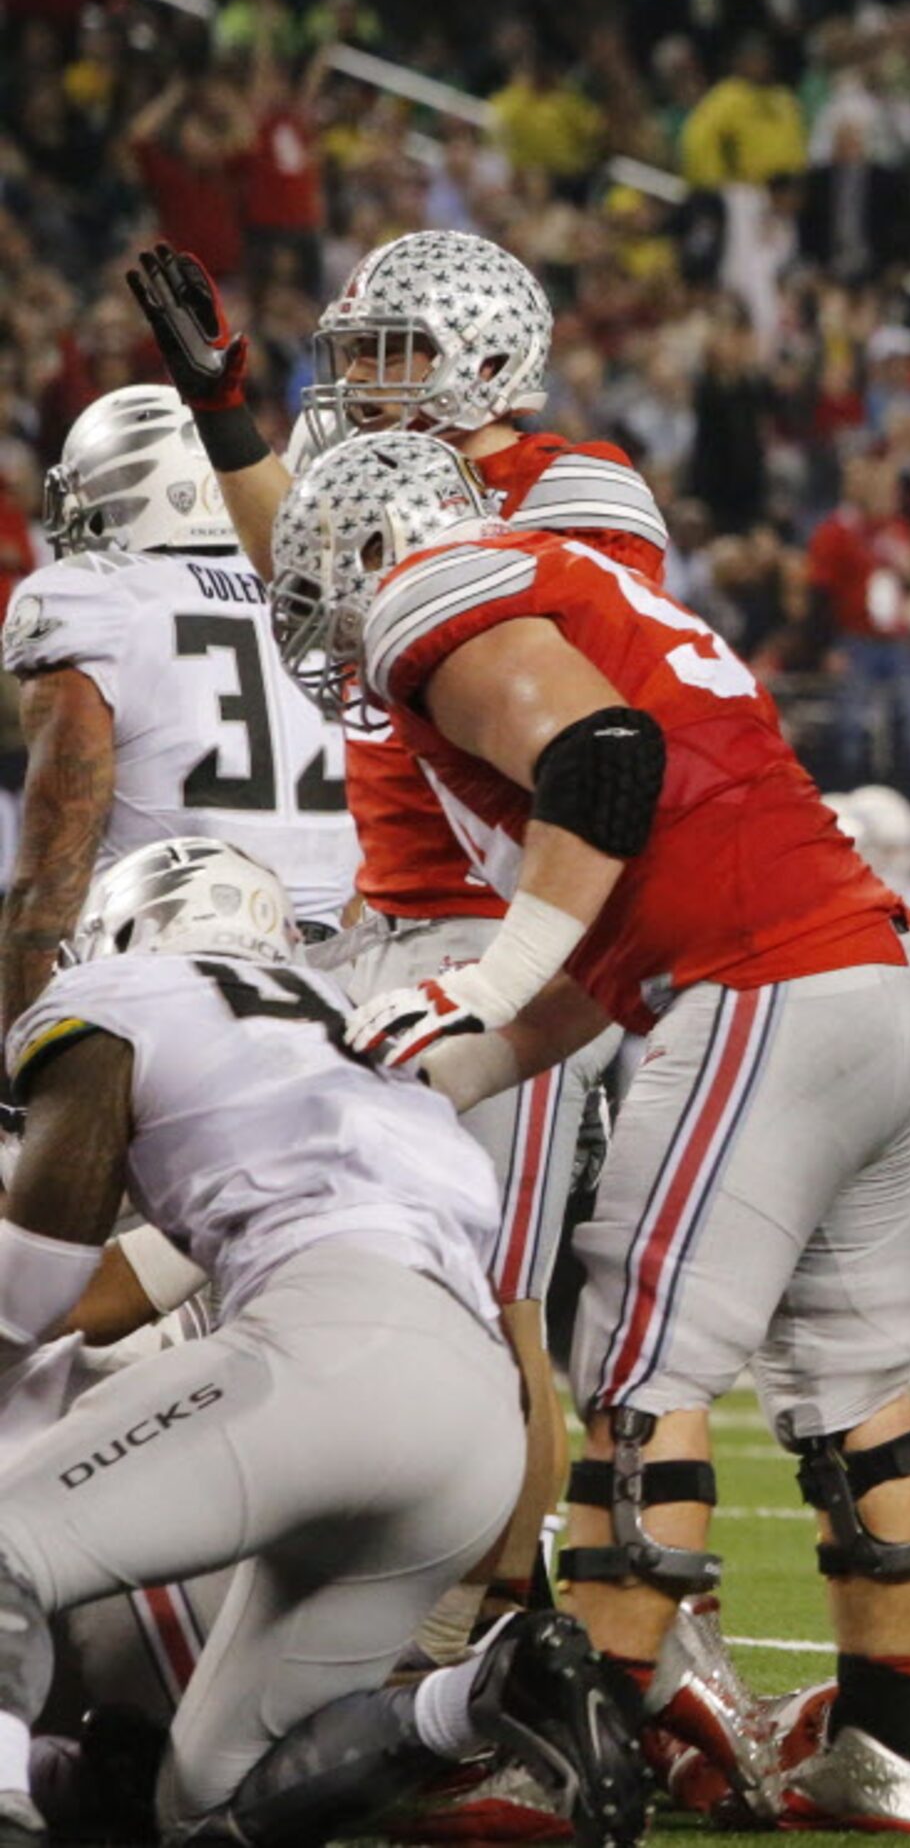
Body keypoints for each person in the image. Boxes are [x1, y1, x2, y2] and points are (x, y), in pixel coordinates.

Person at [263, 430, 910, 1831]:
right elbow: (608, 942)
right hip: (877, 981)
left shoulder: (438, 589)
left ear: (358, 551)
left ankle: (569, 1754)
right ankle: (880, 1756)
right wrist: (461, 1064)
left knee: (638, 1360)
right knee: (852, 1389)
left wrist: (487, 971)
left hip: (764, 986)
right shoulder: (591, 591)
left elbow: (601, 754)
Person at [127, 232, 651, 1674]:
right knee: (335, 1260)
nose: (366, 378)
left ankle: (470, 1628)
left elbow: (608, 696)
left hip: (510, 928)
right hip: (383, 921)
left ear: (491, 352)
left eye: (400, 352)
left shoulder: (570, 486)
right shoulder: (370, 476)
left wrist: (542, 954)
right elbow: (300, 564)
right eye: (356, 351)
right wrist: (224, 406)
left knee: (502, 1293)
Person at [0, 838, 645, 1848]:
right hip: (472, 1418)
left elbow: (28, 1298)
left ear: (123, 935)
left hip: (325, 1354)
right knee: (204, 1811)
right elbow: (573, 1006)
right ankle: (483, 1697)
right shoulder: (352, 1048)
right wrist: (659, 907)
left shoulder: (119, 999)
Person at [1, 385, 356, 1034]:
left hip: (169, 974)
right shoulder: (315, 600)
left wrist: (20, 1051)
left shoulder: (98, 598)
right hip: (338, 977)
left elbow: (49, 875)